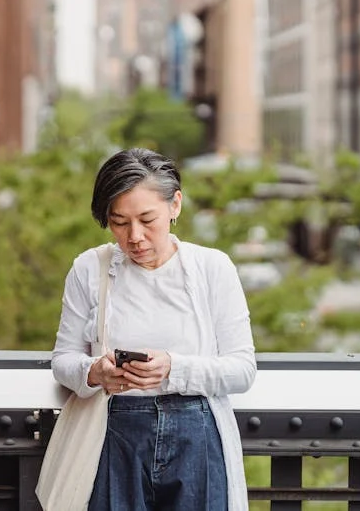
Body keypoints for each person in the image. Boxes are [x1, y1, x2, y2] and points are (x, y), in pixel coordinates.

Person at [50, 147, 257, 511]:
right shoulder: (89, 268)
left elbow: (242, 369)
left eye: (148, 219)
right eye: (119, 222)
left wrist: (173, 368)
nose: (134, 237)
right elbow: (63, 360)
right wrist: (95, 372)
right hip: (112, 432)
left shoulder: (213, 268)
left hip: (197, 431)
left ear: (175, 205)